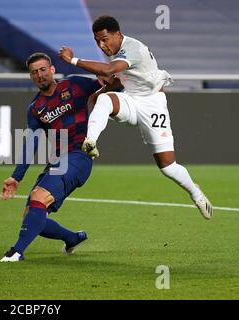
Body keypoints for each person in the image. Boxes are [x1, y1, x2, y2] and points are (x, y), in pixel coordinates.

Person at [58, 15, 213, 219]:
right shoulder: (117, 51)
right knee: (104, 100)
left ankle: (196, 193)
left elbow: (110, 69)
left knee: (168, 167)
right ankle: (91, 141)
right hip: (131, 100)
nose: (102, 45)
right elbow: (120, 78)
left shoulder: (133, 49)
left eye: (105, 39)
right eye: (97, 41)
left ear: (118, 35)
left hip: (153, 104)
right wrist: (100, 91)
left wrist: (73, 60)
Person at [0, 52, 119, 262]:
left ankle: (16, 252)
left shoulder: (74, 85)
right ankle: (72, 238)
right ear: (31, 77)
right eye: (34, 72)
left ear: (52, 69)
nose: (39, 75)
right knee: (32, 216)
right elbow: (32, 143)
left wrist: (111, 89)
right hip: (58, 160)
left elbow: (111, 83)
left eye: (43, 69)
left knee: (39, 197)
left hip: (80, 155)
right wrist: (16, 177)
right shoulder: (35, 109)